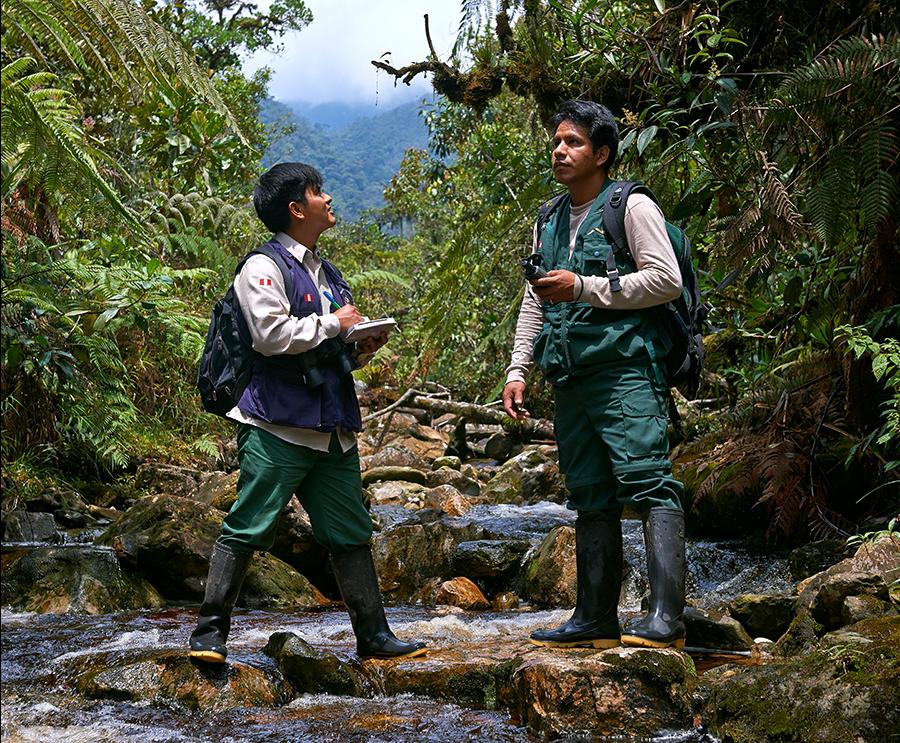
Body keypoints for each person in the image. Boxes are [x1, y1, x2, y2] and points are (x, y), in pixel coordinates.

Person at [189, 162, 426, 663]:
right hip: (276, 425)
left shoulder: (326, 273)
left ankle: (375, 636)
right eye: (318, 192)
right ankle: (209, 635)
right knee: (248, 526)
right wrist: (336, 326)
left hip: (332, 429)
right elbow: (270, 335)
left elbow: (328, 349)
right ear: (297, 209)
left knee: (351, 533)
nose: (328, 198)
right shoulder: (263, 267)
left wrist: (363, 345)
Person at [502, 100, 687, 650]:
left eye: (573, 143)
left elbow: (666, 281)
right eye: (557, 142)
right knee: (590, 495)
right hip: (570, 379)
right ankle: (594, 616)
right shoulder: (549, 218)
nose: (560, 151)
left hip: (624, 370)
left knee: (649, 482)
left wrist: (585, 288)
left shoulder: (629, 208)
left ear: (602, 153)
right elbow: (535, 301)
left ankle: (665, 618)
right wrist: (518, 368)